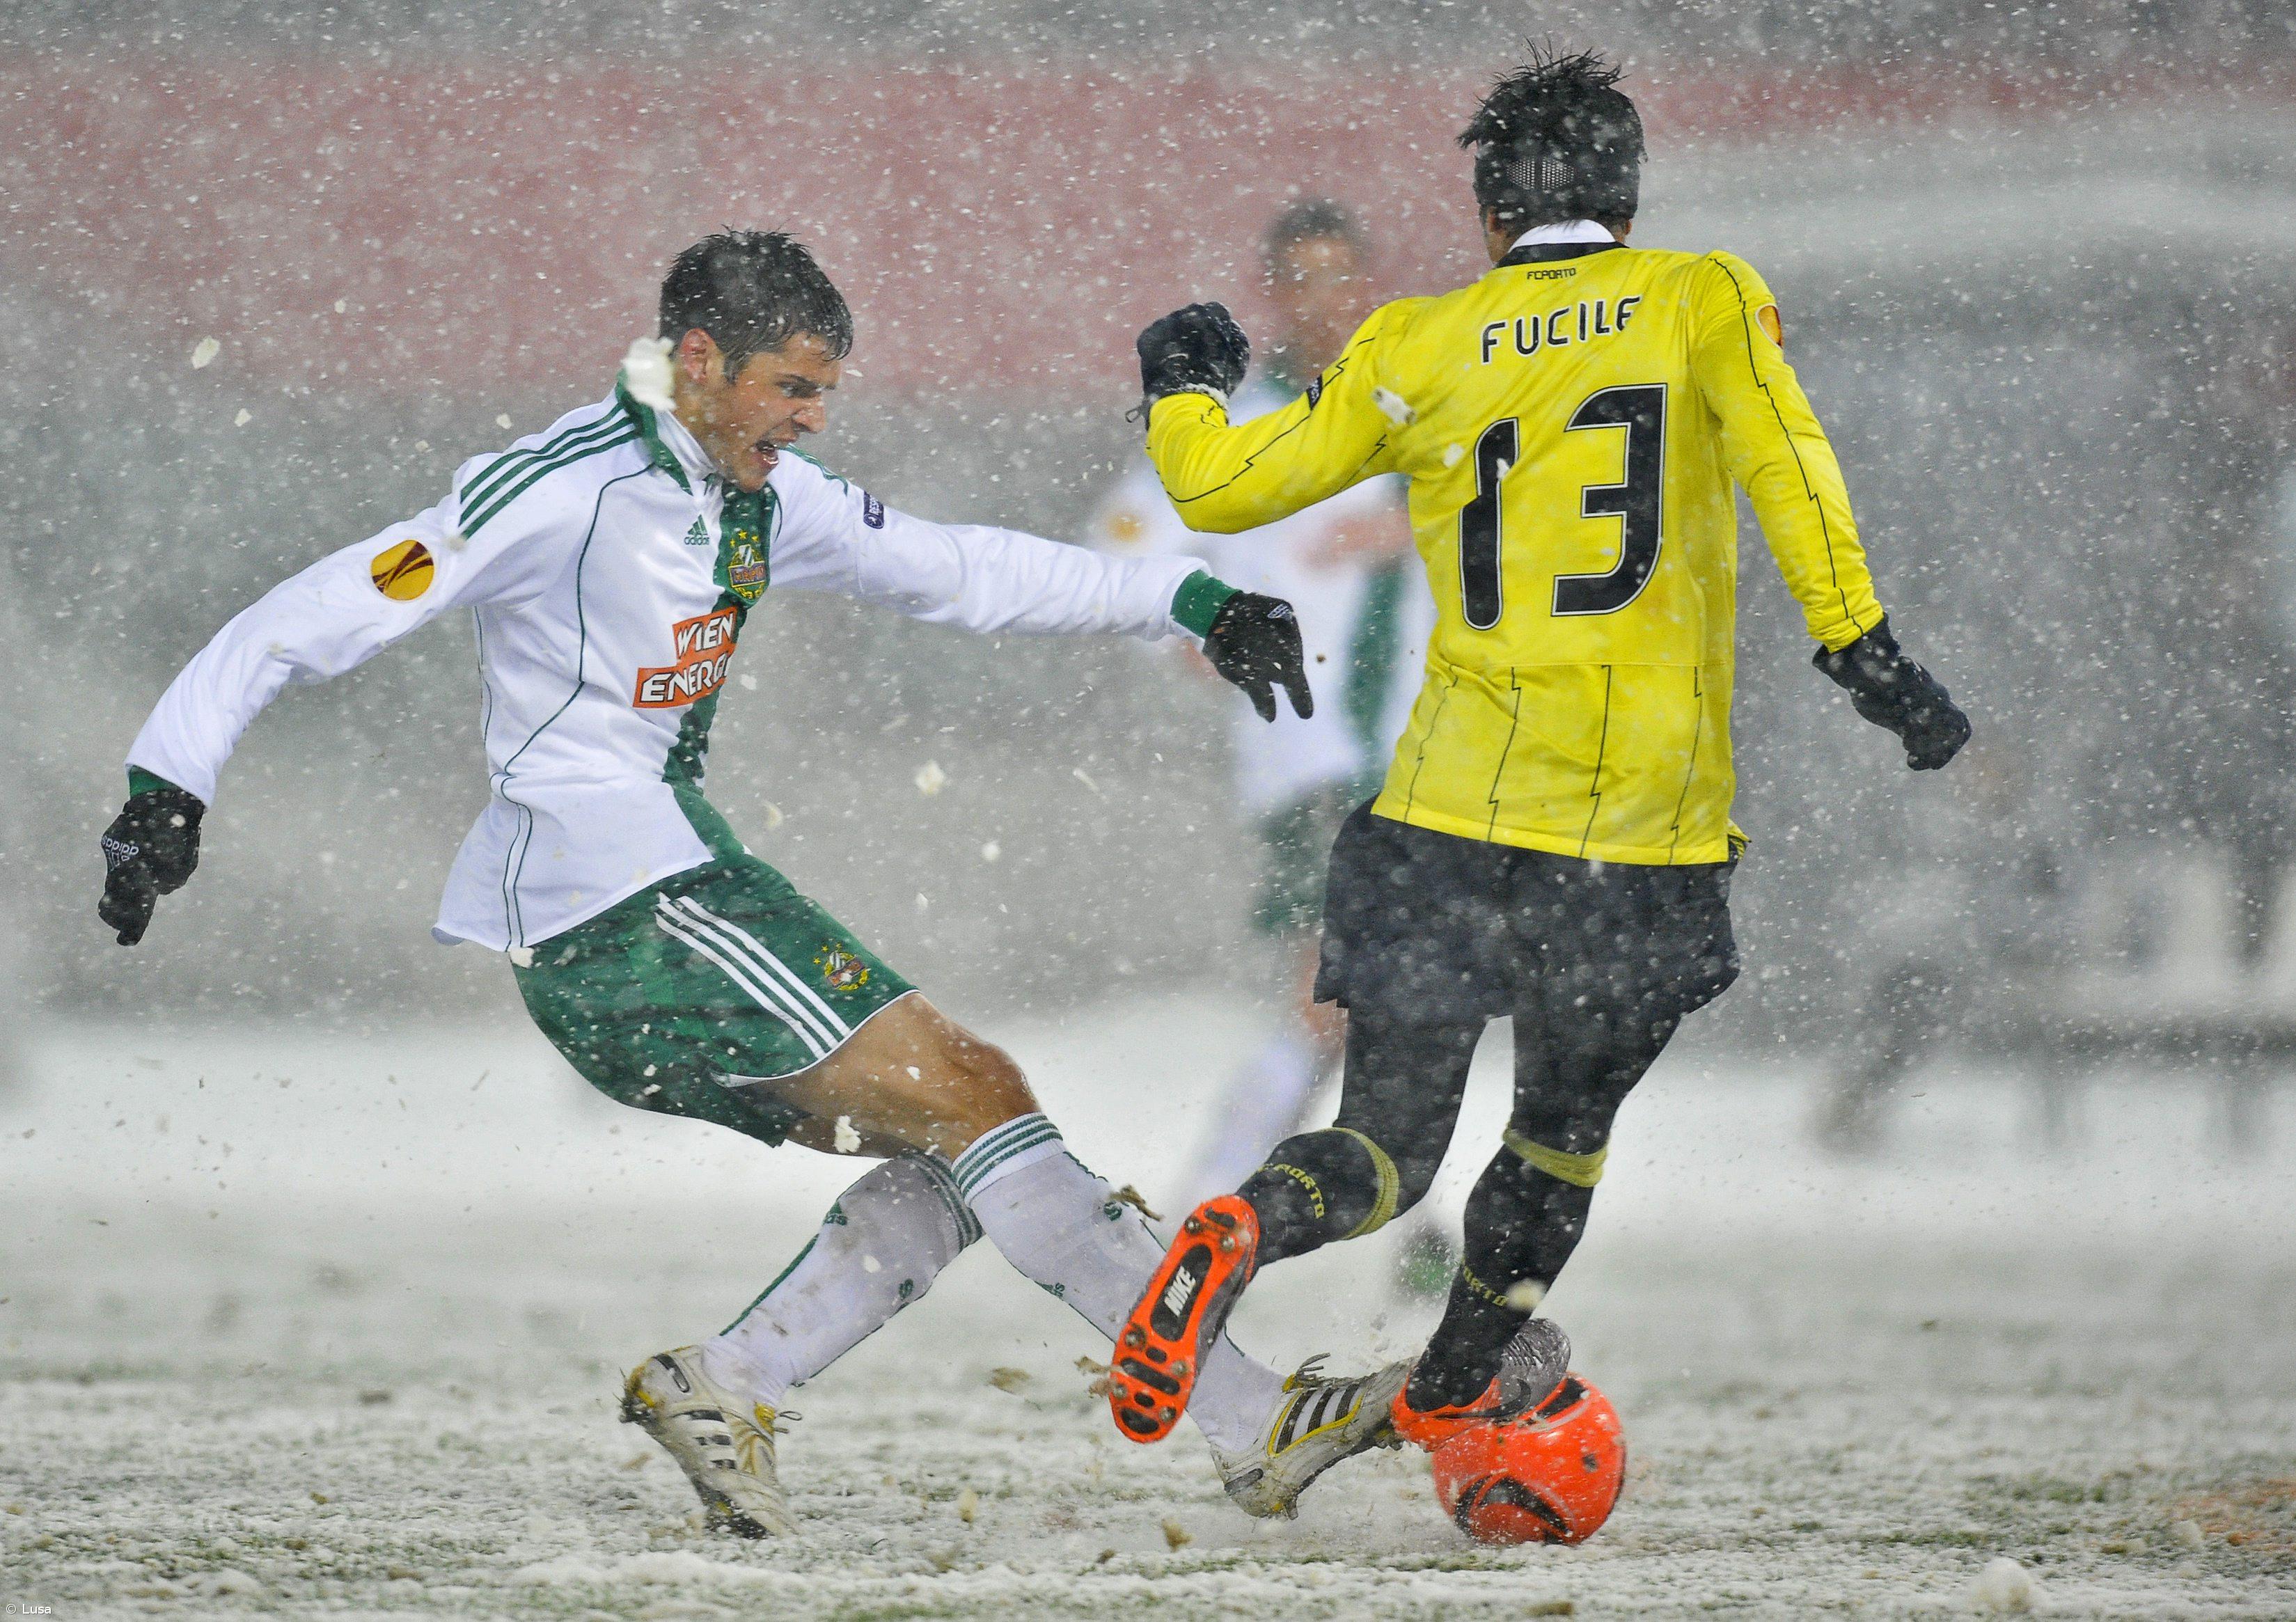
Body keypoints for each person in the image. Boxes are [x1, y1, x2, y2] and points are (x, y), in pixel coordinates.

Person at [97, 230, 1408, 1534]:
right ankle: (1249, 1423)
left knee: (965, 1144)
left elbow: (962, 570)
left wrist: (1189, 600)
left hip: (658, 898)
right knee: (980, 1096)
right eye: (792, 387)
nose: (811, 417)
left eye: (824, 390)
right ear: (701, 360)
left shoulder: (765, 495)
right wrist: (171, 780)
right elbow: (314, 611)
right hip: (620, 905)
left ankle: (726, 1382)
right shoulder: (562, 483)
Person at [1103, 49, 1971, 1458]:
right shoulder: (1697, 299)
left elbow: (1220, 484)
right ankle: (1454, 1382)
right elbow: (1788, 467)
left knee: (1384, 1147)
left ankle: (1241, 1224)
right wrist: (1860, 647)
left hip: (1436, 811)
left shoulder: (1415, 344)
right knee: (1557, 1132)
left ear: (1488, 216)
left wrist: (1183, 384)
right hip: (1629, 827)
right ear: (1626, 196)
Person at [1085, 200, 1432, 1208]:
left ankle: (1397, 1215)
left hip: (1423, 751)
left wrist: (1413, 531)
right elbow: (1119, 541)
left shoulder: (1411, 408)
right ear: (1273, 292)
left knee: (1386, 1000)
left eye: (1342, 276)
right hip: (1314, 753)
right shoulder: (1234, 422)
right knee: (1339, 998)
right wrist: (1188, 630)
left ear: (1369, 284)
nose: (1324, 300)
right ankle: (1203, 1209)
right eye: (1302, 279)